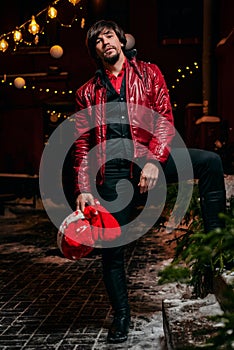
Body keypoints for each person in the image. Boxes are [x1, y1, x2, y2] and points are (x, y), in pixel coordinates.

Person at [73, 20, 226, 344]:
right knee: (112, 249)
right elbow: (83, 144)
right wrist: (84, 188)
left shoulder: (149, 74)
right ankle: (122, 316)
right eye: (98, 40)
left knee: (210, 163)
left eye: (109, 36)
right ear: (95, 51)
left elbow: (164, 119)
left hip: (149, 158)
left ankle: (216, 248)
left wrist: (155, 161)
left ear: (121, 41)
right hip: (113, 172)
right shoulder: (87, 92)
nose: (105, 42)